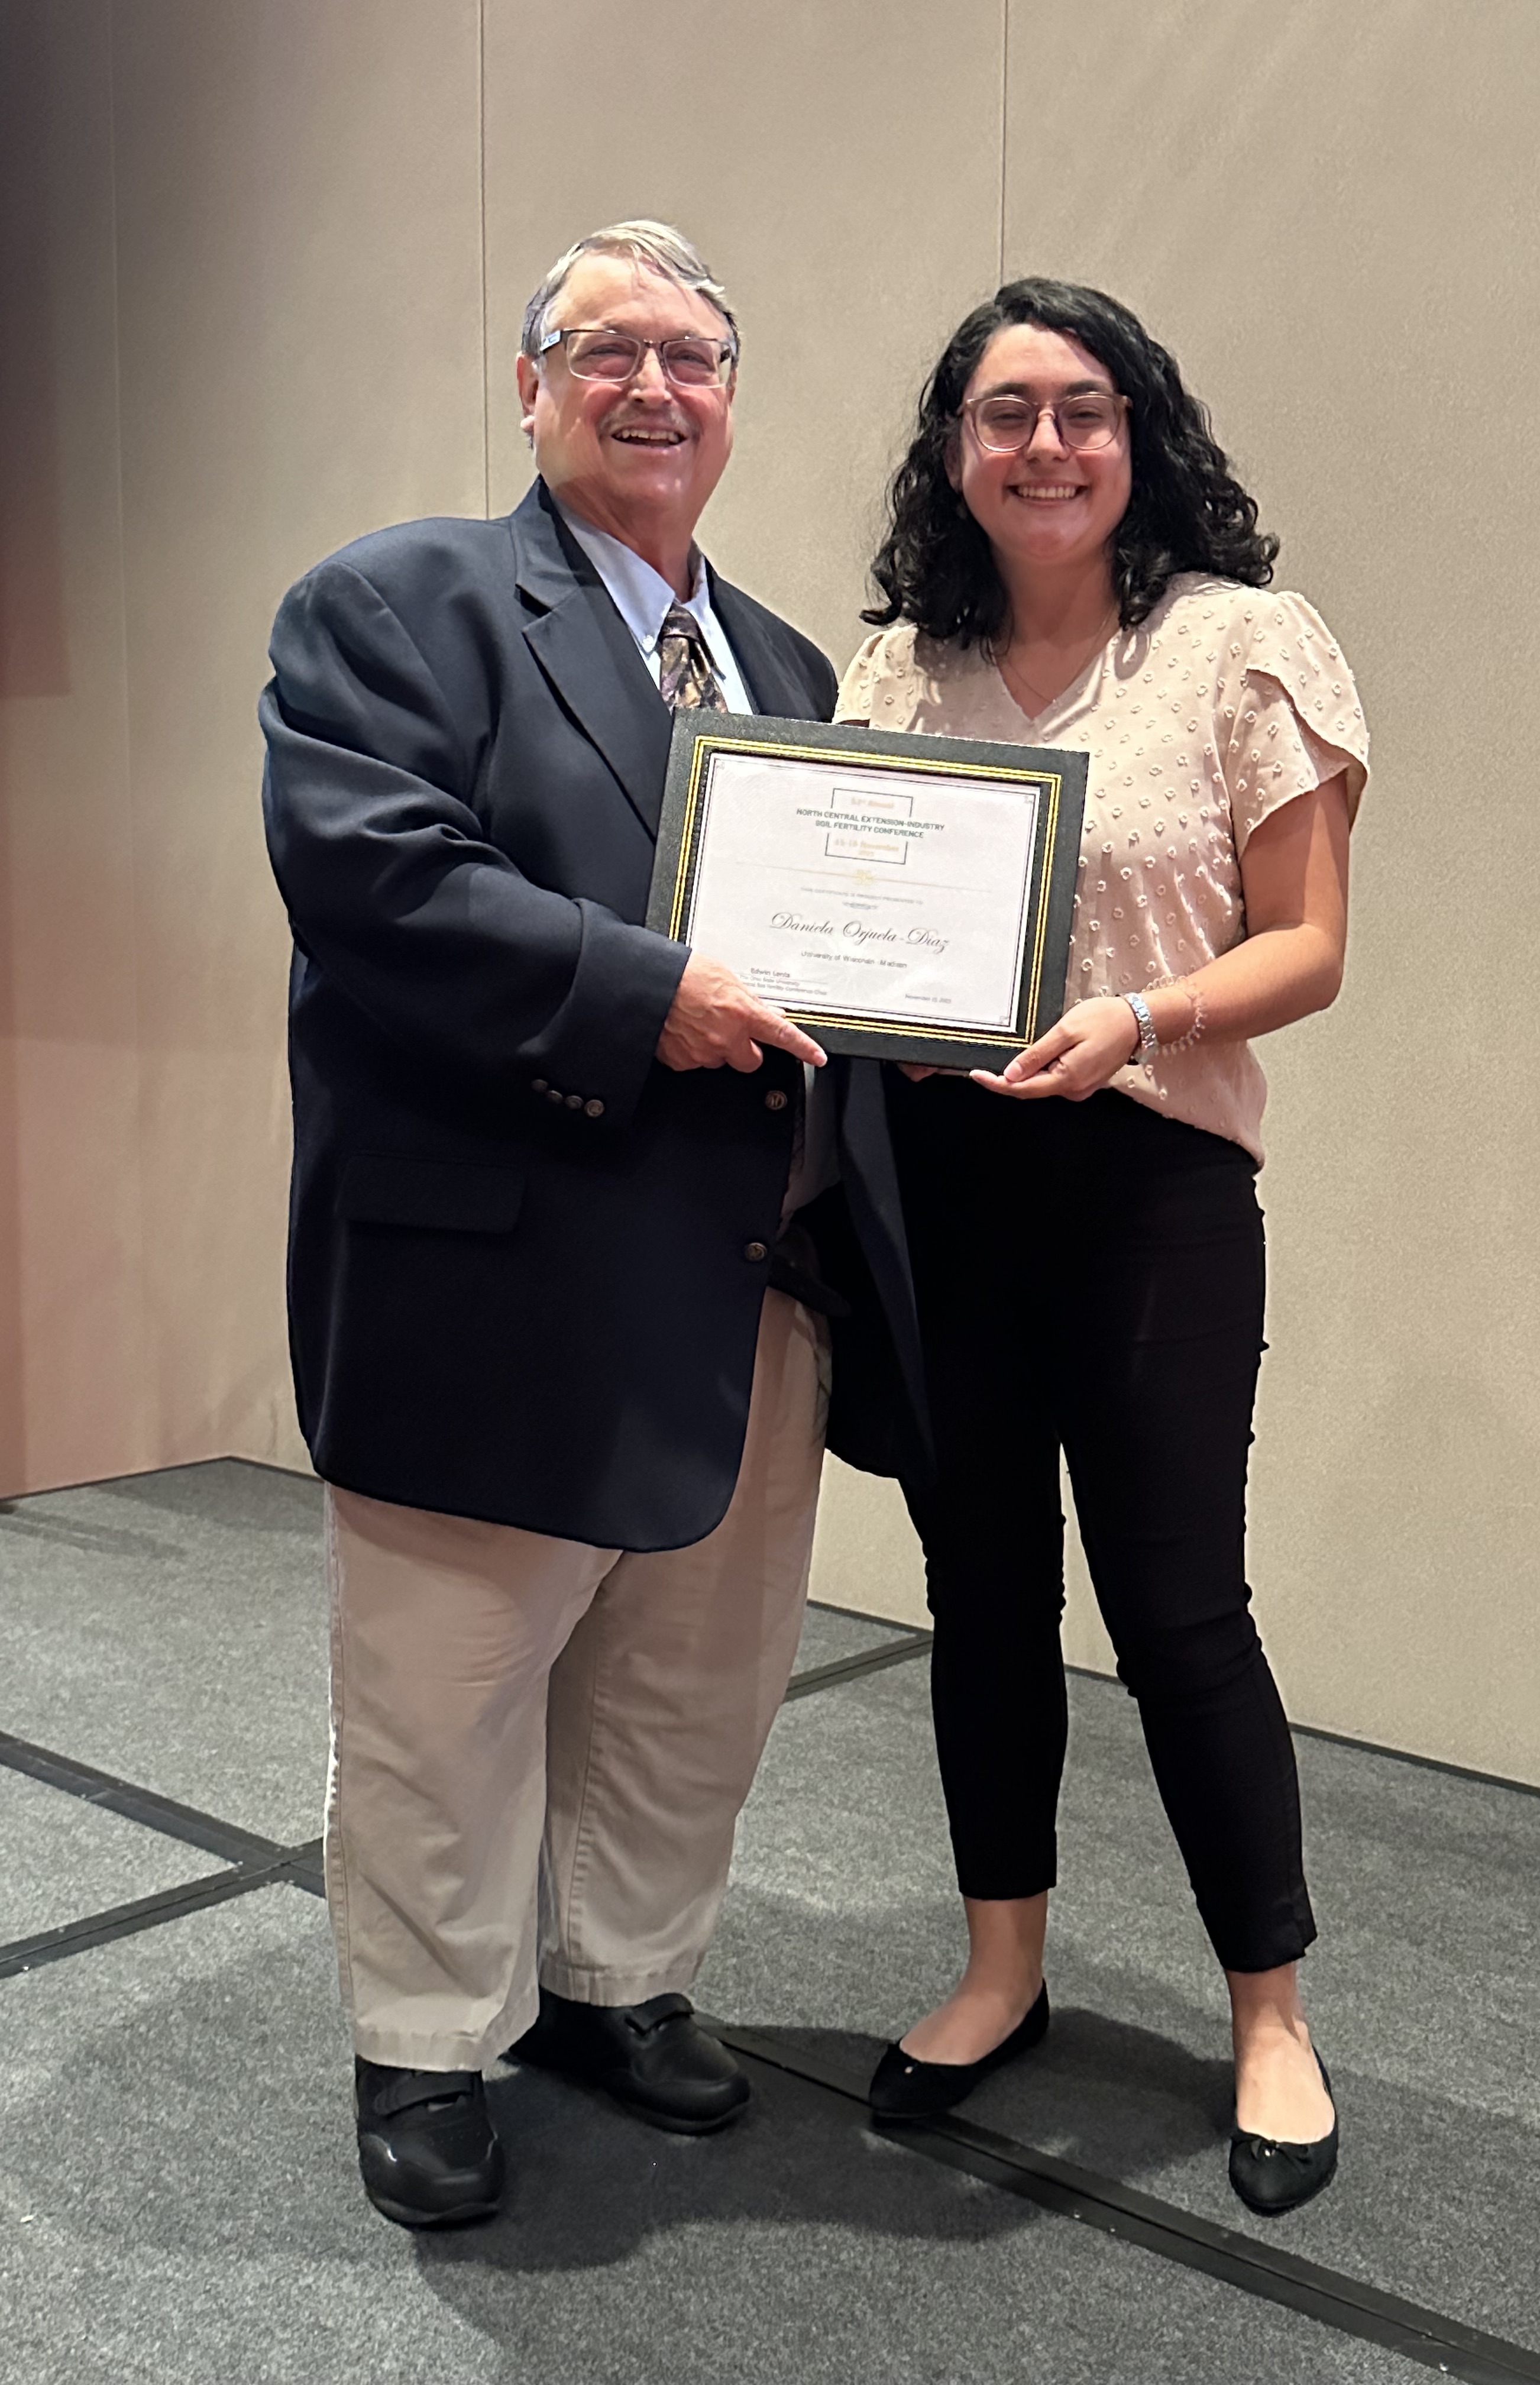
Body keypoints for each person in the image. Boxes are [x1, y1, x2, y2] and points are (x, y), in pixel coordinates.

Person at [260, 221, 920, 2229]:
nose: (655, 388)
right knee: (448, 1686)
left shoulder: (788, 665)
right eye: (607, 349)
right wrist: (652, 999)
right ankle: (424, 2038)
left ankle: (615, 1983)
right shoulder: (397, 604)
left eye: (693, 357)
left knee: (691, 1678)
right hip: (503, 1270)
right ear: (532, 385)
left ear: (732, 399)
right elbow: (377, 878)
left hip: (749, 1282)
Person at [835, 279, 1367, 2217]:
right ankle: (1003, 1970)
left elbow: (1311, 947)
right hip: (941, 1184)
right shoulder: (900, 668)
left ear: (1139, 435)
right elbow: (844, 908)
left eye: (1084, 408)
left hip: (1151, 1187)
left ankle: (1272, 2017)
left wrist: (1140, 1019)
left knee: (1177, 1609)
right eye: (1005, 413)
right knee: (979, 1595)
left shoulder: (1238, 646)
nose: (1045, 445)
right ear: (953, 451)